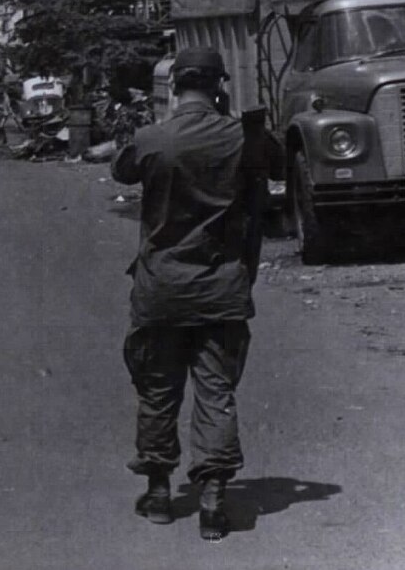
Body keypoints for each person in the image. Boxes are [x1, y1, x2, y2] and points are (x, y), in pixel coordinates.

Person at [110, 47, 271, 540]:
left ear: (175, 85)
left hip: (162, 287)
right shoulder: (245, 139)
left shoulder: (153, 138)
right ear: (220, 84)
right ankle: (214, 500)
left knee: (158, 390)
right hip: (221, 285)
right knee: (215, 391)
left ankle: (159, 494)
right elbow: (274, 170)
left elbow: (122, 169)